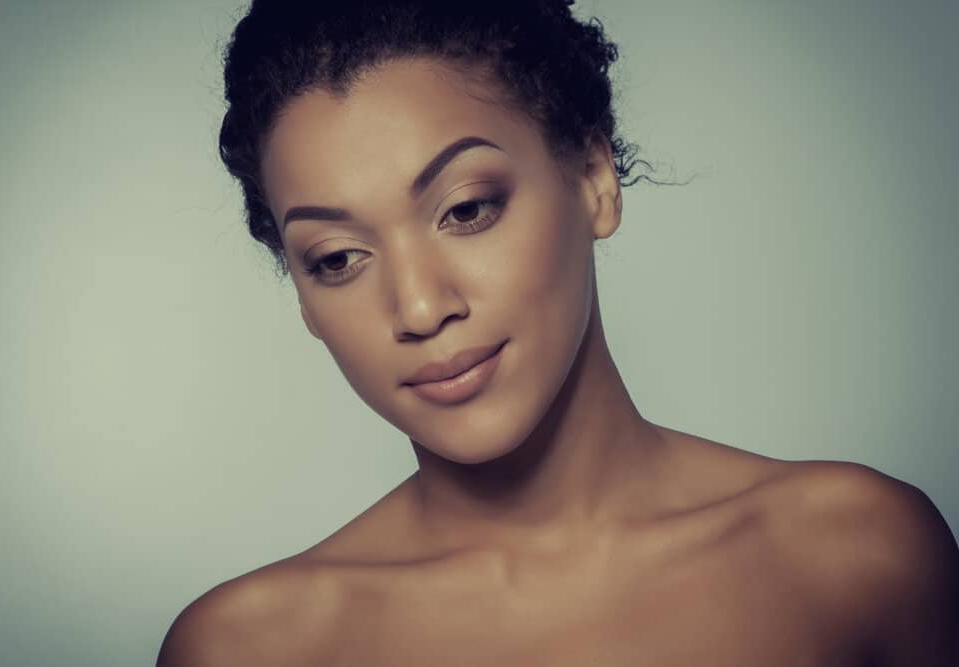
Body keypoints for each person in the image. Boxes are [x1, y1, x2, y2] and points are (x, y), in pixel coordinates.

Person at [157, 1, 959, 664]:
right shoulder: (247, 647)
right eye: (336, 258)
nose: (420, 308)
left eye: (467, 209)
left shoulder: (859, 555)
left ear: (594, 180)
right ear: (300, 293)